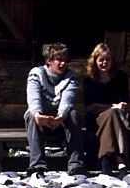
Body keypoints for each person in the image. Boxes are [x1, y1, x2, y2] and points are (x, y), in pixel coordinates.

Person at [24, 43, 85, 175]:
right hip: (42, 114)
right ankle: (37, 165)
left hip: (60, 117)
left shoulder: (70, 76)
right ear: (49, 61)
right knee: (30, 115)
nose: (62, 63)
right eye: (59, 60)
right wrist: (38, 115)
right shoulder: (36, 73)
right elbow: (33, 96)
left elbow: (67, 99)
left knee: (73, 115)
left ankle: (76, 164)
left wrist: (60, 116)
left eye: (64, 60)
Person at [83, 43, 130, 174]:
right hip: (95, 119)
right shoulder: (89, 81)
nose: (104, 63)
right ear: (95, 61)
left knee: (112, 116)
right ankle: (120, 162)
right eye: (101, 60)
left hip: (118, 118)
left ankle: (105, 161)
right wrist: (111, 107)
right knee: (111, 114)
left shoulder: (120, 77)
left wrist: (109, 108)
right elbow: (89, 108)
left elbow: (123, 103)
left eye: (107, 59)